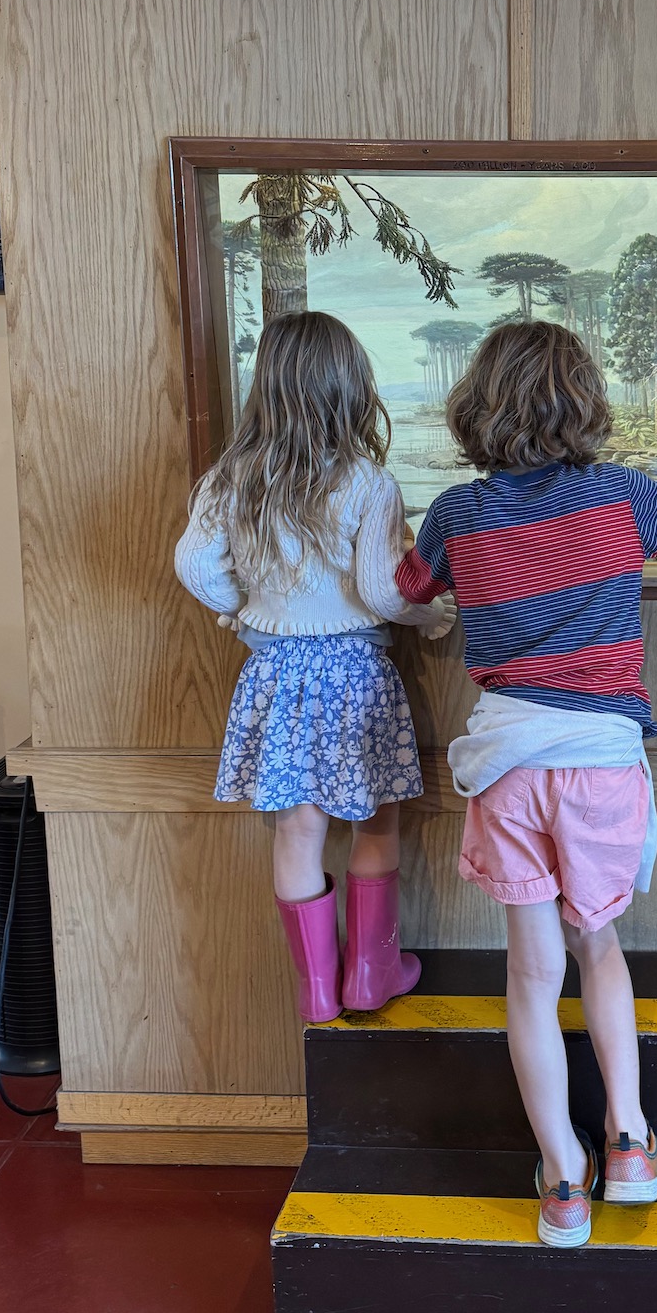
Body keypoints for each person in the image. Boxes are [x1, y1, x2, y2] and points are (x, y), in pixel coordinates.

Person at [396, 321, 657, 1249]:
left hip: (509, 764)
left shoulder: (456, 515)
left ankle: (563, 1179)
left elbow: (407, 589)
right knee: (598, 947)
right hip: (600, 764)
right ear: (584, 403)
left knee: (529, 972)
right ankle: (630, 1146)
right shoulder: (622, 496)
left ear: (478, 405)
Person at [175, 312, 454, 1025]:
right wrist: (436, 617)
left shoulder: (230, 479)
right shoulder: (369, 481)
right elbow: (381, 591)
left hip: (275, 677)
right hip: (355, 676)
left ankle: (317, 990)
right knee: (375, 819)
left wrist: (240, 611)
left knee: (298, 829)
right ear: (351, 389)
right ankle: (372, 973)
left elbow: (194, 565)